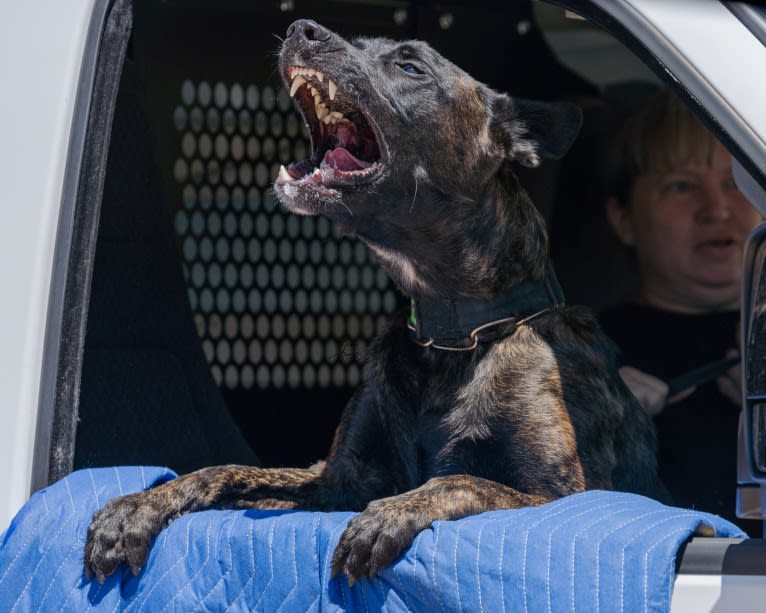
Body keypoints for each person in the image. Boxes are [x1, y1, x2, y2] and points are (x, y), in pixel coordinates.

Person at [598, 89, 762, 534]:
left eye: (737, 181)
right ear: (623, 218)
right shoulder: (575, 353)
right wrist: (591, 422)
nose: (717, 208)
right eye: (682, 186)